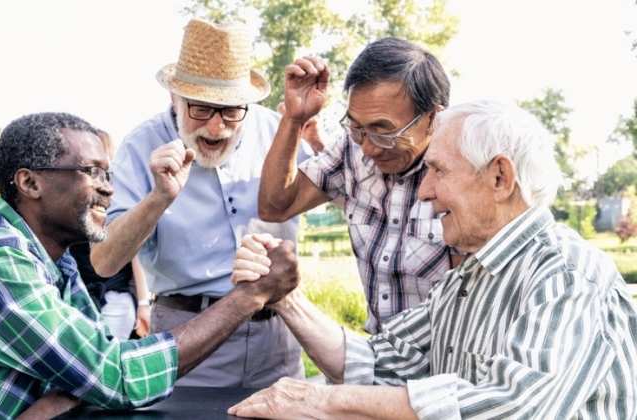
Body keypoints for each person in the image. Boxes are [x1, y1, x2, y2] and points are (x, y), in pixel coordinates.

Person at [0, 112, 300, 419]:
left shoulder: (56, 263)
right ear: (29, 182)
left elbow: (97, 369)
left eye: (108, 174)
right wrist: (250, 296)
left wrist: (80, 386)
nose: (108, 191)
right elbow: (118, 378)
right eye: (92, 172)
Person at [229, 100, 637, 419]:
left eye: (438, 171)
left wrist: (325, 402)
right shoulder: (467, 278)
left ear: (499, 177)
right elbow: (380, 364)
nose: (423, 191)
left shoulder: (567, 276)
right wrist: (283, 296)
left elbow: (513, 408)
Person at [90, 18, 307, 388]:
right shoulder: (141, 145)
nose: (215, 127)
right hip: (188, 336)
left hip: (277, 336)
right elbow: (105, 261)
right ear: (174, 98)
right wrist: (159, 198)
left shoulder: (279, 132)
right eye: (200, 109)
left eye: (229, 111)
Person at [259, 38, 455, 333]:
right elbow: (275, 207)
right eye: (357, 128)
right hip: (380, 359)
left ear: (433, 118)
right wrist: (294, 118)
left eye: (384, 132)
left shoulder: (466, 171)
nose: (369, 149)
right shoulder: (350, 151)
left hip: (444, 370)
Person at [69, 129, 151, 339]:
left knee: (105, 363)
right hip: (77, 294)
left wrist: (144, 303)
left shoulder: (117, 196)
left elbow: (136, 253)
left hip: (112, 296)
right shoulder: (73, 196)